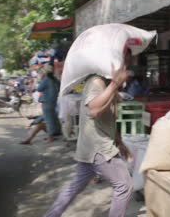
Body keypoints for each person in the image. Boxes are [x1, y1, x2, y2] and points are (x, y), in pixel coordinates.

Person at [44, 50, 133, 217]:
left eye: (128, 63)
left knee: (75, 186)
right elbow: (94, 109)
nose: (126, 67)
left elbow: (109, 119)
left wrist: (120, 143)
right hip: (98, 148)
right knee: (124, 186)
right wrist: (115, 84)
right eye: (124, 62)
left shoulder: (106, 84)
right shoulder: (96, 82)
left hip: (90, 147)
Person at [37, 64, 62, 143]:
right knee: (53, 117)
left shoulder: (46, 80)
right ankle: (56, 133)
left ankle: (50, 137)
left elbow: (39, 88)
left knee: (49, 119)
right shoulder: (55, 80)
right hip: (53, 101)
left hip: (46, 101)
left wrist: (41, 78)